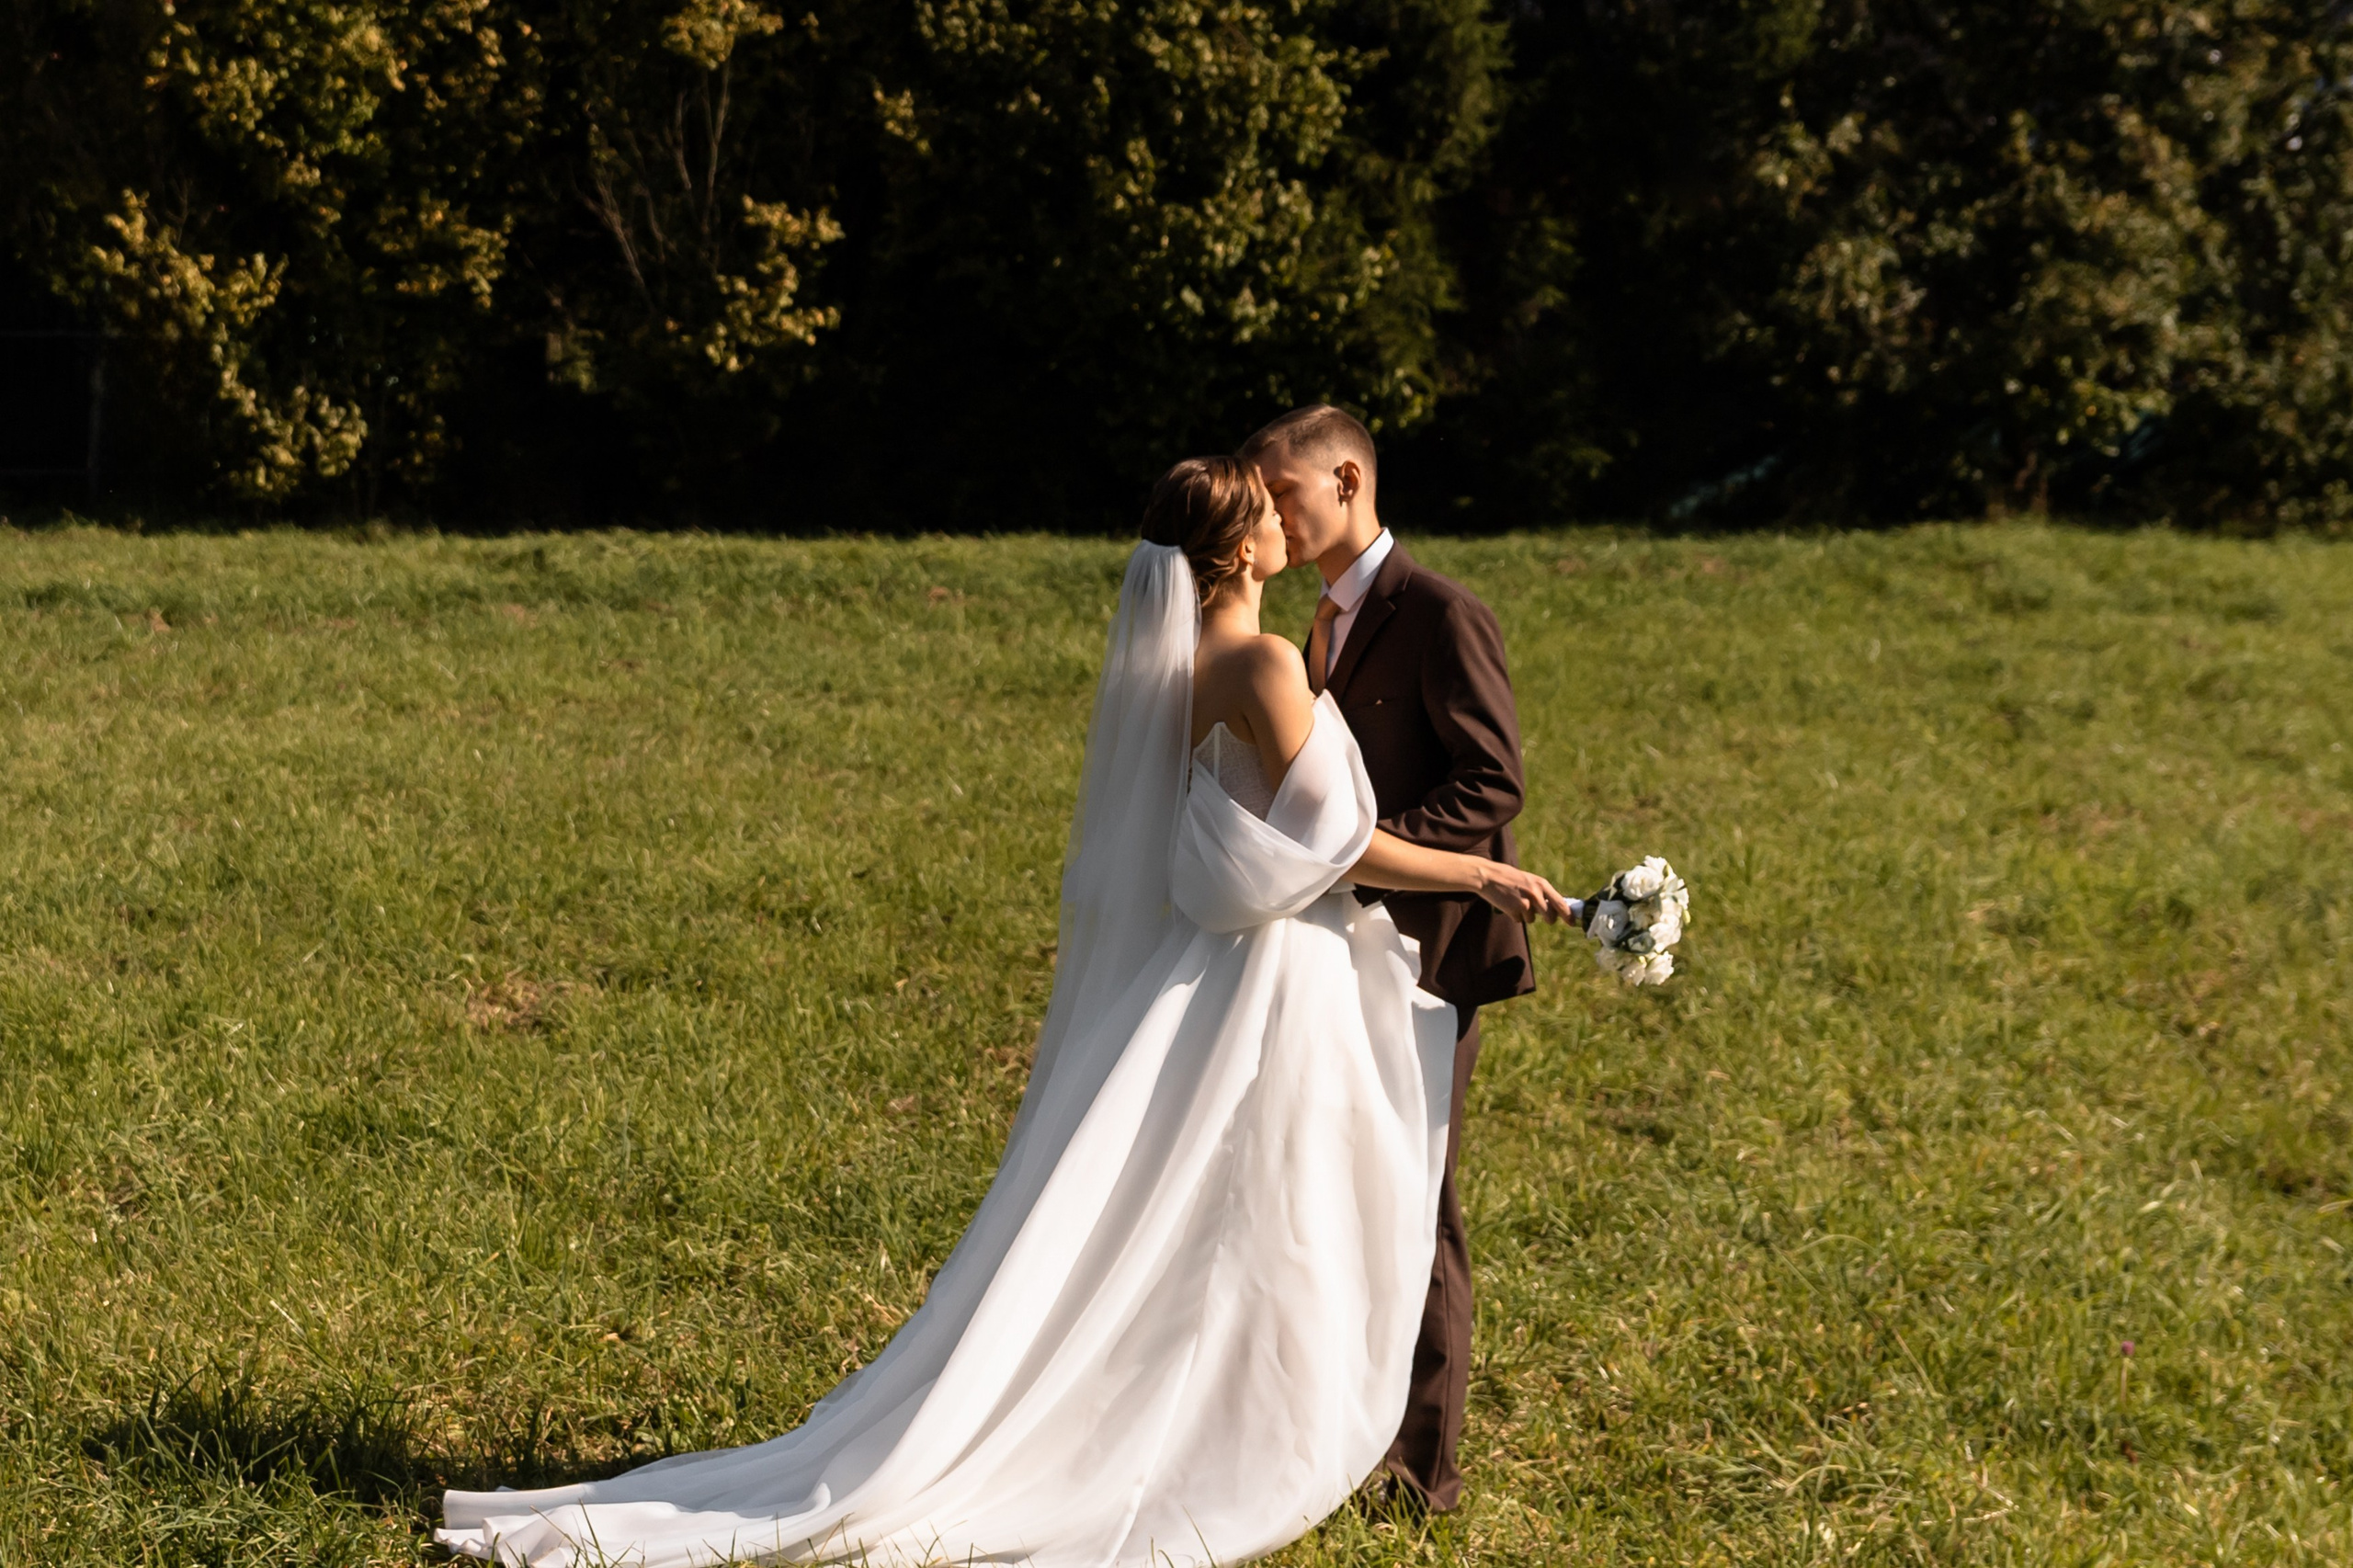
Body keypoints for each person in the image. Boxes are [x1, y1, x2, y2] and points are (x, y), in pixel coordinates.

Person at [436, 458, 1574, 1568]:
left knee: (1207, 1206)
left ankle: (1213, 1416)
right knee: (1271, 1205)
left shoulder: (1171, 669)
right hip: (1268, 973)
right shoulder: (1269, 663)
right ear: (1238, 551)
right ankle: (1244, 1435)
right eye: (1266, 513)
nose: (1285, 521)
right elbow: (1331, 847)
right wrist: (1477, 874)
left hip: (1210, 968)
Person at [1242, 404, 1531, 1515]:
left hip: (1430, 952)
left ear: (1347, 478)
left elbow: (1491, 781)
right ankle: (1331, 1425)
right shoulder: (1316, 619)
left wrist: (1360, 863)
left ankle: (1421, 1477)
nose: (1269, 516)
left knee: (1419, 1197)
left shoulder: (1442, 612)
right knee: (1340, 1183)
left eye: (1282, 495)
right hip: (1337, 950)